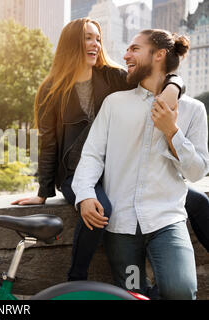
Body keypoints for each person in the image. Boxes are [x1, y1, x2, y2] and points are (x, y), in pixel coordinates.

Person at [11, 18, 199, 283]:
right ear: (71, 44)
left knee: (198, 201)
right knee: (103, 207)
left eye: (98, 38)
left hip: (117, 172)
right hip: (76, 174)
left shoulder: (114, 77)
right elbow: (49, 143)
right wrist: (43, 193)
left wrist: (176, 84)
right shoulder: (51, 90)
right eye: (88, 38)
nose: (95, 44)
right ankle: (77, 276)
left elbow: (155, 79)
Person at [72, 29, 209, 299]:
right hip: (121, 229)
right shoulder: (115, 104)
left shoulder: (193, 110)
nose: (126, 55)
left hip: (167, 221)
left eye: (134, 49)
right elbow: (91, 155)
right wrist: (86, 194)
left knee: (181, 289)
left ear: (159, 55)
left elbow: (196, 171)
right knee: (133, 293)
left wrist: (172, 132)